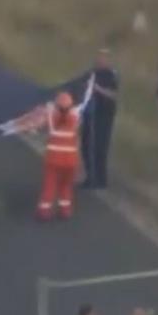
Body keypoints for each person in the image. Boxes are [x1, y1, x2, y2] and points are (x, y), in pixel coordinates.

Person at [38, 92, 80, 221]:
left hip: (54, 158)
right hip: (70, 160)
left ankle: (44, 212)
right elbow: (75, 111)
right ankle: (65, 211)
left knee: (49, 185)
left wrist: (51, 106)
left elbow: (44, 119)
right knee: (66, 185)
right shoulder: (75, 117)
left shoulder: (51, 116)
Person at [82, 49, 119, 190]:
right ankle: (90, 176)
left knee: (100, 146)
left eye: (103, 58)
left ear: (108, 60)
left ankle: (101, 179)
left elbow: (113, 95)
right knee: (86, 145)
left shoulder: (111, 75)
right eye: (98, 57)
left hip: (104, 115)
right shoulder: (91, 74)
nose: (99, 60)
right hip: (89, 113)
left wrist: (97, 89)